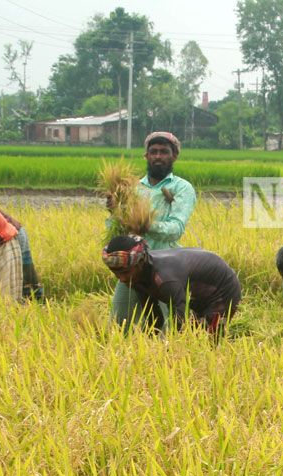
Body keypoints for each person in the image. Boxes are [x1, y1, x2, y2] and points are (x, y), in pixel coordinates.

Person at [108, 131, 197, 327]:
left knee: (167, 323)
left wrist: (146, 225)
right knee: (119, 321)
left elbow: (176, 229)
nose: (158, 156)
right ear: (146, 155)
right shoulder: (132, 189)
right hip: (132, 265)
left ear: (174, 156)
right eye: (153, 151)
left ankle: (165, 356)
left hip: (165, 264)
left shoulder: (181, 188)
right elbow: (117, 231)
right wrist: (114, 212)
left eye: (164, 152)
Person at [101, 235, 240, 335]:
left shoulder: (165, 279)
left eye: (125, 272)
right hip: (196, 295)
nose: (122, 279)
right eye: (116, 274)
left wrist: (168, 348)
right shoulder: (136, 278)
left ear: (139, 263)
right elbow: (154, 318)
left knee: (207, 340)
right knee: (193, 335)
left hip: (223, 290)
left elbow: (179, 320)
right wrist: (150, 341)